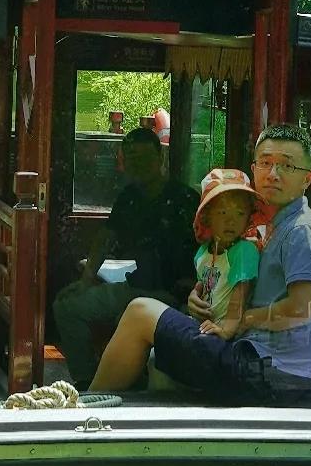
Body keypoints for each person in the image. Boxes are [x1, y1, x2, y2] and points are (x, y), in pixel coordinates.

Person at [142, 125, 311, 406]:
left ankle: (81, 413)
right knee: (157, 359)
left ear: (308, 178)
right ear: (253, 168)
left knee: (141, 312)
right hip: (254, 358)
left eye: (287, 166)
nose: (273, 174)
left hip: (272, 373)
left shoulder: (300, 231)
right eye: (266, 163)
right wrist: (199, 295)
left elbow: (301, 310)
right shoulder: (261, 230)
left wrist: (241, 320)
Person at [88, 167, 260, 393]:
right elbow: (204, 282)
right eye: (223, 213)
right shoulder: (205, 252)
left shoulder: (245, 251)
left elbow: (241, 291)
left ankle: (91, 400)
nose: (231, 221)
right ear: (207, 216)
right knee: (156, 358)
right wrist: (194, 295)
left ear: (249, 217)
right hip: (204, 326)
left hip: (224, 339)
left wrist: (227, 328)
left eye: (239, 214)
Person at [50, 125, 195, 386]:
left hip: (174, 294)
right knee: (67, 305)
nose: (137, 164)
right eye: (131, 158)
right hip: (137, 287)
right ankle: (86, 383)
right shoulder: (129, 198)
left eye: (143, 157)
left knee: (124, 321)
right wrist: (86, 279)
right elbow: (105, 238)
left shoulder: (185, 199)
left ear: (160, 158)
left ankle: (120, 384)